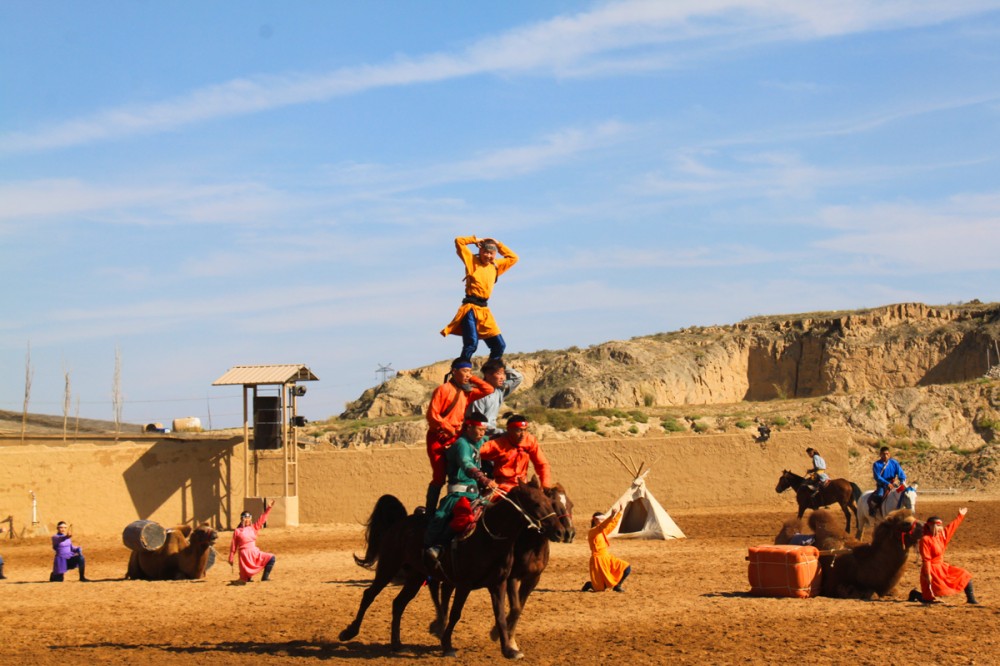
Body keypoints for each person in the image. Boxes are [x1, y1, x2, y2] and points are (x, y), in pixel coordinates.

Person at [424, 413, 496, 564]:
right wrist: (482, 478)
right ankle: (439, 546)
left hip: (477, 496)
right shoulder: (462, 444)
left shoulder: (477, 442)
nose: (482, 433)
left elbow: (495, 437)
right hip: (458, 496)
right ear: (469, 427)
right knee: (463, 517)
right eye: (479, 430)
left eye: (484, 430)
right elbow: (466, 462)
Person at [424, 358, 493, 513]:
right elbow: (432, 415)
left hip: (454, 437)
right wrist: (449, 429)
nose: (468, 374)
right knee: (440, 476)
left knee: (462, 471)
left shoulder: (466, 392)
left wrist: (471, 377)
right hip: (438, 438)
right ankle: (429, 513)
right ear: (454, 372)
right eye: (465, 371)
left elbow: (488, 389)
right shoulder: (443, 390)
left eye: (470, 371)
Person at [440, 235, 518, 362]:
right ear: (480, 251)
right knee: (472, 344)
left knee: (499, 346)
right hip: (470, 308)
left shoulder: (495, 266)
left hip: (484, 311)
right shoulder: (472, 261)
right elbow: (459, 241)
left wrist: (499, 244)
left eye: (491, 253)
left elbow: (514, 258)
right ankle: (461, 370)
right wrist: (475, 240)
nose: (488, 256)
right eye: (485, 252)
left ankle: (489, 373)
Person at [908, 508, 977, 605]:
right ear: (930, 526)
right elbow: (926, 559)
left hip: (942, 568)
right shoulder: (925, 540)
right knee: (930, 600)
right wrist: (928, 575)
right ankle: (915, 594)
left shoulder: (942, 536)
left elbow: (951, 527)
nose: (940, 528)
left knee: (965, 575)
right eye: (937, 525)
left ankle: (971, 599)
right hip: (931, 570)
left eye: (940, 525)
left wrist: (960, 516)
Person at [479, 414, 553, 494]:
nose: (523, 434)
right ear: (509, 430)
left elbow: (542, 464)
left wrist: (545, 485)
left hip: (523, 486)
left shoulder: (530, 441)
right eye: (519, 430)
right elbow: (475, 452)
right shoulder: (497, 443)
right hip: (501, 487)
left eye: (525, 430)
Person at [467, 358, 524, 438]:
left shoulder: (499, 391)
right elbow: (477, 423)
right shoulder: (479, 394)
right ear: (487, 375)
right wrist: (502, 432)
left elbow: (518, 378)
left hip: (492, 433)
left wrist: (501, 364)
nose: (503, 378)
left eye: (503, 374)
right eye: (498, 374)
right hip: (479, 436)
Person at [581, 506, 632, 593]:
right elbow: (602, 527)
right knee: (600, 589)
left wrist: (620, 512)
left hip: (607, 557)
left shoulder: (602, 531)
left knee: (626, 568)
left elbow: (612, 524)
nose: (603, 521)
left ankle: (617, 585)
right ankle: (590, 584)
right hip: (598, 560)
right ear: (595, 520)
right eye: (601, 520)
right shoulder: (593, 532)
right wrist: (611, 516)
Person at [229, 499, 276, 583]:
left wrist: (269, 508)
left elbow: (262, 519)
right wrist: (231, 557)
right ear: (242, 519)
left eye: (248, 518)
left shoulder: (254, 527)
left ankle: (265, 577)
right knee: (244, 579)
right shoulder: (237, 531)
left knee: (271, 558)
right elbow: (234, 545)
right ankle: (248, 577)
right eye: (245, 518)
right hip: (244, 556)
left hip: (254, 553)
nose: (247, 520)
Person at [869, 446, 907, 516]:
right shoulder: (876, 464)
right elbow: (877, 477)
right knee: (879, 496)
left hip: (893, 484)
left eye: (887, 454)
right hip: (882, 485)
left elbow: (901, 473)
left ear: (889, 454)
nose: (885, 456)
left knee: (903, 494)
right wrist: (887, 483)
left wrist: (902, 482)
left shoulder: (894, 463)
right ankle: (874, 510)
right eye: (883, 454)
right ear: (880, 454)